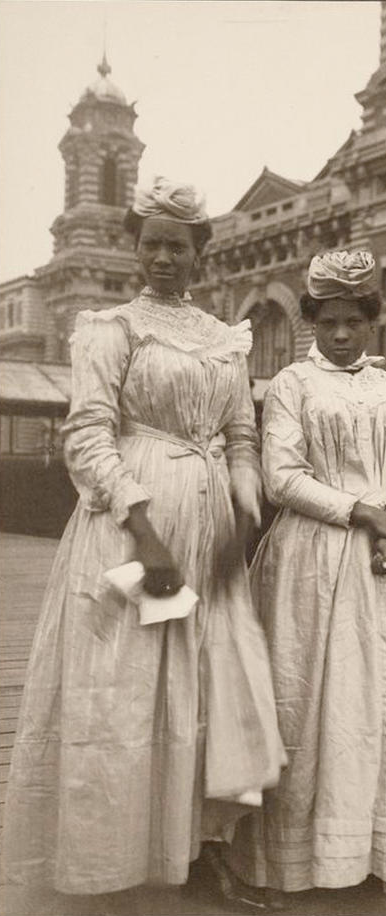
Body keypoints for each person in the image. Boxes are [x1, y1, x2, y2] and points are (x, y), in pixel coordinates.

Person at [1, 177, 286, 896]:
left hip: (210, 525)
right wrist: (143, 529)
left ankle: (203, 843)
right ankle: (110, 855)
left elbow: (243, 436)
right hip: (132, 527)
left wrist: (245, 508)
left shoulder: (226, 340)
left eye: (178, 246)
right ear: (137, 247)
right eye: (151, 243)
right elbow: (89, 433)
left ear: (199, 252)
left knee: (213, 690)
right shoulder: (110, 327)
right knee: (124, 689)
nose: (163, 257)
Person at [228, 250, 386, 908]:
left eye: (355, 322)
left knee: (384, 703)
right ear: (312, 323)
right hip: (312, 557)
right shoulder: (293, 384)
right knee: (310, 701)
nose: (343, 334)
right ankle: (298, 861)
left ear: (372, 323)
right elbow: (282, 478)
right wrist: (363, 514)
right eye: (329, 323)